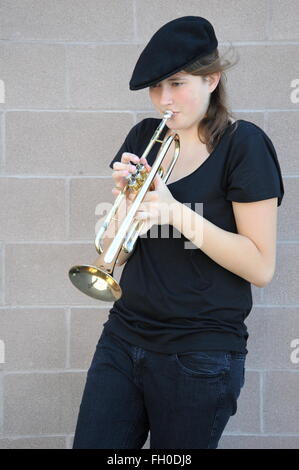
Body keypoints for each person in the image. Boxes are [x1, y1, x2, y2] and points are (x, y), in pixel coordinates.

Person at [72, 16, 284, 449]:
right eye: (156, 88)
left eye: (177, 83)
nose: (164, 99)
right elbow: (110, 257)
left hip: (200, 354)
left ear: (212, 79)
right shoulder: (144, 135)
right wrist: (124, 205)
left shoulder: (244, 145)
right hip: (123, 337)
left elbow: (261, 266)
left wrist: (175, 212)